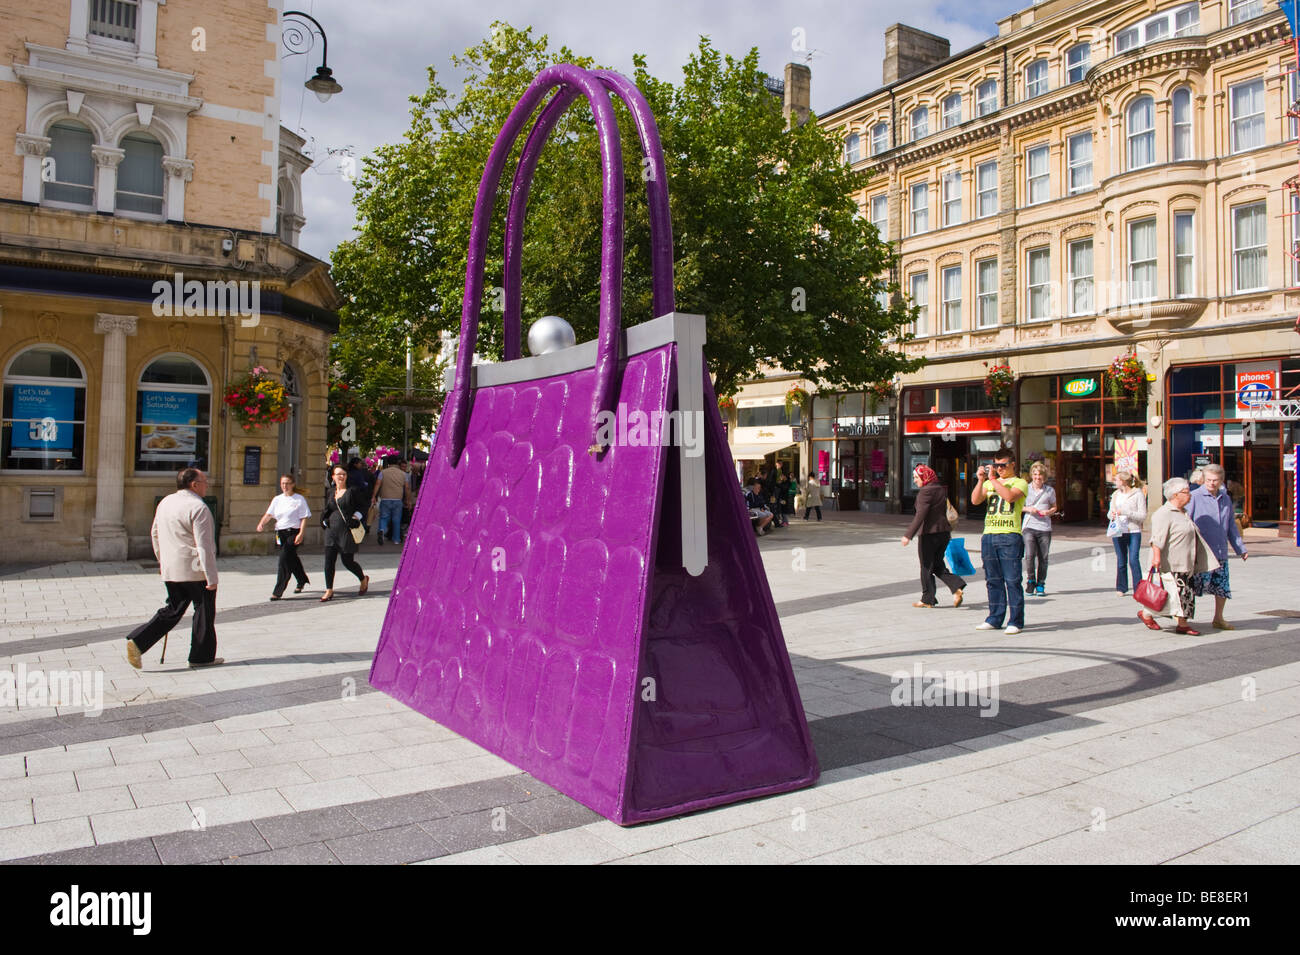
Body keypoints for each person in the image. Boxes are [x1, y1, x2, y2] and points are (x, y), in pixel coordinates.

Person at [125, 468, 223, 669]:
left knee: (173, 609)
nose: (207, 485)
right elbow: (204, 545)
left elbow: (154, 533)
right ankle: (201, 656)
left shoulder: (165, 502)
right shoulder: (198, 507)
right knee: (203, 611)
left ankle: (138, 641)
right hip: (195, 568)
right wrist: (211, 576)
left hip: (172, 567)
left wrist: (163, 560)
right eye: (204, 481)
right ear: (194, 485)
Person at [1138, 477, 1219, 635]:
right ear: (1175, 495)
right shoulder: (1164, 513)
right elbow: (1157, 539)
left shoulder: (1184, 513)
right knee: (1175, 593)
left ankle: (1150, 614)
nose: (1190, 495)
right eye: (1186, 492)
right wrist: (1156, 557)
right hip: (1171, 562)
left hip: (1186, 561)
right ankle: (1181, 624)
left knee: (1183, 593)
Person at [970, 447, 1029, 634]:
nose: (999, 468)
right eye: (996, 465)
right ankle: (995, 617)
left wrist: (993, 479)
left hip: (1010, 534)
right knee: (992, 579)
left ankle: (1016, 621)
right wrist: (981, 480)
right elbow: (975, 500)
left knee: (1012, 580)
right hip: (989, 534)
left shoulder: (1020, 482)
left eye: (1003, 465)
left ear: (1012, 464)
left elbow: (1009, 497)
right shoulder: (990, 483)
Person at [1187, 463, 1249, 629]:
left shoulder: (1225, 498)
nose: (1212, 483)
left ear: (1221, 480)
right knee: (1191, 586)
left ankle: (1218, 618)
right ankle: (1183, 620)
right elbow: (1186, 523)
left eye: (1215, 480)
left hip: (1220, 550)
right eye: (1208, 479)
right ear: (1203, 479)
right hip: (1200, 552)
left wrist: (1240, 548)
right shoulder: (1194, 497)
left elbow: (1231, 526)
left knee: (1221, 586)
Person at [902, 464, 966, 609]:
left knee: (926, 566)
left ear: (924, 477)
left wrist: (908, 535)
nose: (915, 480)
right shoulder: (939, 489)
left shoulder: (925, 492)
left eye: (916, 477)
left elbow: (920, 515)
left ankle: (927, 598)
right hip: (944, 533)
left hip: (929, 534)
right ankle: (957, 586)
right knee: (937, 565)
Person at [256, 474, 311, 600]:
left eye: (287, 483)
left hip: (293, 532)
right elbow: (269, 514)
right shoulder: (277, 499)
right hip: (280, 532)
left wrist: (301, 533)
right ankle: (302, 579)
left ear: (293, 484)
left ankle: (278, 591)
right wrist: (261, 524)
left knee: (284, 559)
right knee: (292, 558)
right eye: (282, 484)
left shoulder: (299, 499)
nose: (285, 486)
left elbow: (304, 518)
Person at [321, 463, 370, 602]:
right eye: (338, 474)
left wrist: (356, 516)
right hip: (331, 530)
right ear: (333, 477)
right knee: (329, 561)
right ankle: (329, 589)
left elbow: (364, 505)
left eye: (343, 474)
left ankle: (362, 578)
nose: (341, 476)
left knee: (347, 561)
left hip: (346, 530)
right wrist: (324, 520)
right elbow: (328, 509)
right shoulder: (330, 492)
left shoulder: (352, 491)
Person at [1107, 471, 1147, 597]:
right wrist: (1111, 515)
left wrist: (1126, 512)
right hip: (1118, 530)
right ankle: (1121, 587)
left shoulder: (1138, 494)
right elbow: (1109, 512)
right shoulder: (1115, 495)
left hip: (1133, 530)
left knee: (1134, 560)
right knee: (1121, 560)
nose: (1115, 482)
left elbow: (1142, 515)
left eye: (1117, 480)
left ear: (1123, 481)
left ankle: (1139, 588)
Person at [1022, 463, 1057, 596]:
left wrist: (1049, 512)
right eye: (1035, 474)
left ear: (1044, 477)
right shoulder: (1026, 488)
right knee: (1029, 555)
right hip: (1029, 525)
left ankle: (1041, 584)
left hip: (1044, 527)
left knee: (1044, 557)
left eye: (1040, 475)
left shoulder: (1050, 490)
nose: (1038, 477)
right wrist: (1028, 509)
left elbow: (1055, 506)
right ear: (1032, 475)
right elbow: (1018, 506)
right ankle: (1031, 581)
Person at [372, 455, 410, 546]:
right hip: (398, 499)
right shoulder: (403, 474)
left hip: (385, 498)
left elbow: (377, 484)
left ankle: (381, 529)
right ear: (398, 462)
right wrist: (408, 500)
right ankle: (396, 539)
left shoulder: (383, 472)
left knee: (384, 517)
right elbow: (407, 488)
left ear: (388, 462)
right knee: (396, 520)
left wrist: (374, 496)